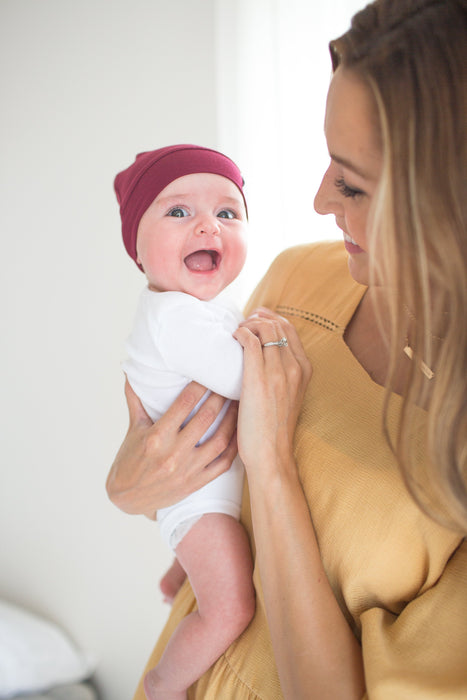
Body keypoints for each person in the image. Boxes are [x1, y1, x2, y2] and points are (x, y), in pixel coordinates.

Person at [106, 1, 467, 698]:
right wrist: (130, 487)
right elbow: (173, 457)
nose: (317, 200)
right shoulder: (302, 275)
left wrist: (268, 464)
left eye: (352, 183)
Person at [113, 145, 255, 700]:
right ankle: (164, 683)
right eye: (178, 212)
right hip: (199, 499)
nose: (206, 225)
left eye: (228, 213)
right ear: (139, 251)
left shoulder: (199, 312)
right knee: (231, 608)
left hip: (200, 488)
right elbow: (247, 378)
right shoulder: (172, 318)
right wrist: (270, 335)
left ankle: (180, 572)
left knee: (214, 562)